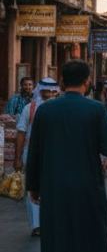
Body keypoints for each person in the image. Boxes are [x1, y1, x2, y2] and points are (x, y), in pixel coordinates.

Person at [25, 60, 107, 252]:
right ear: (88, 81)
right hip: (88, 188)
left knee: (56, 244)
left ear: (62, 83)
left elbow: (35, 151)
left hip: (54, 189)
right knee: (94, 241)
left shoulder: (46, 111)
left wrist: (33, 186)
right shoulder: (95, 109)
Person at [15, 77, 59, 236]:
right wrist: (17, 158)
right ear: (40, 91)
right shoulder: (30, 108)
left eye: (54, 91)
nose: (51, 94)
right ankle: (37, 225)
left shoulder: (60, 108)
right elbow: (21, 133)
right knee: (33, 186)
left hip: (55, 154)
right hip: (32, 154)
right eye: (47, 91)